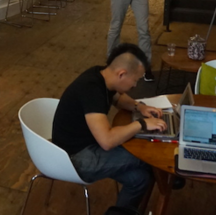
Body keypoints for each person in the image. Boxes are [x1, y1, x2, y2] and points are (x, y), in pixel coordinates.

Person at [52, 43, 166, 212]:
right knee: (145, 157)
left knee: (140, 179)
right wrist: (141, 123)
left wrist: (139, 107)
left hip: (87, 144)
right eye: (135, 80)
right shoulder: (91, 89)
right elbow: (107, 140)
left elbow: (118, 98)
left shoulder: (101, 75)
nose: (135, 85)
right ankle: (168, 180)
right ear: (122, 74)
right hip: (74, 157)